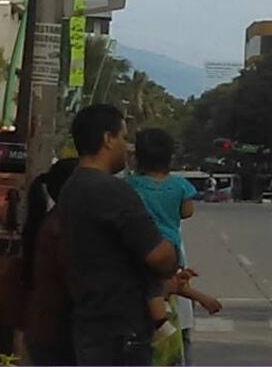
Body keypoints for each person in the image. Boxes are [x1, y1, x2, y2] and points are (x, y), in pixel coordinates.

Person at [58, 104, 179, 366]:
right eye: (123, 138)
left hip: (90, 323)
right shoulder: (111, 191)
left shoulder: (72, 187)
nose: (127, 147)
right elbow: (159, 256)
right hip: (120, 330)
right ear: (107, 138)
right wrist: (172, 250)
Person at [127, 128, 222, 362]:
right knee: (162, 284)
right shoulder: (180, 185)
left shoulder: (130, 184)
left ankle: (160, 323)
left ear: (138, 157)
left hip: (141, 247)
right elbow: (187, 211)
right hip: (170, 250)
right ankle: (163, 325)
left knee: (152, 286)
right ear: (170, 157)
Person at [23, 158, 80, 366]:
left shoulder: (54, 221)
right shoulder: (62, 228)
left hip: (47, 332)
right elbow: (75, 280)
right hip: (58, 334)